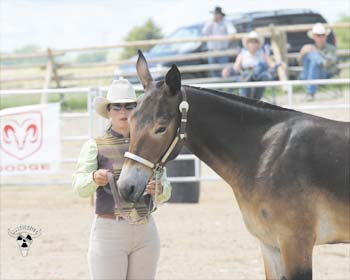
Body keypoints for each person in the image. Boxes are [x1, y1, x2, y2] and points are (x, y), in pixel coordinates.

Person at [72, 78, 172, 280]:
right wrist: (93, 178)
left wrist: (159, 190)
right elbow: (79, 187)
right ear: (108, 111)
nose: (123, 111)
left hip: (146, 229)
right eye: (116, 107)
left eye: (129, 106)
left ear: (137, 109)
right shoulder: (95, 145)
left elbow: (166, 190)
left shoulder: (150, 144)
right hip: (109, 231)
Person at [222, 31, 279, 100]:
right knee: (246, 75)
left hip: (259, 77)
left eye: (255, 41)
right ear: (247, 43)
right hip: (246, 76)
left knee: (262, 72)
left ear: (258, 44)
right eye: (251, 41)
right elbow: (236, 68)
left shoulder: (262, 53)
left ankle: (255, 100)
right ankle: (247, 100)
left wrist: (280, 65)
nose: (253, 44)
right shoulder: (242, 54)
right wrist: (228, 70)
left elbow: (272, 64)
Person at [299, 22, 338, 100]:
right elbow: (301, 63)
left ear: (326, 36)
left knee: (313, 62)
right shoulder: (309, 47)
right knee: (308, 55)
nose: (320, 37)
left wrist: (315, 51)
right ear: (314, 37)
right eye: (318, 35)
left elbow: (331, 61)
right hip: (306, 73)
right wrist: (302, 54)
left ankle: (310, 93)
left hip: (325, 72)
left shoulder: (331, 48)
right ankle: (321, 61)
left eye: (323, 35)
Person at [202, 6, 236, 77]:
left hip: (222, 51)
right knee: (214, 72)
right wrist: (211, 22)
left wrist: (230, 36)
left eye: (217, 14)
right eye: (214, 14)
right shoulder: (209, 22)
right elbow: (204, 32)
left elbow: (232, 32)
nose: (215, 15)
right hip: (212, 51)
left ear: (220, 15)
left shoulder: (226, 22)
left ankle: (227, 87)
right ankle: (218, 88)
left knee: (225, 71)